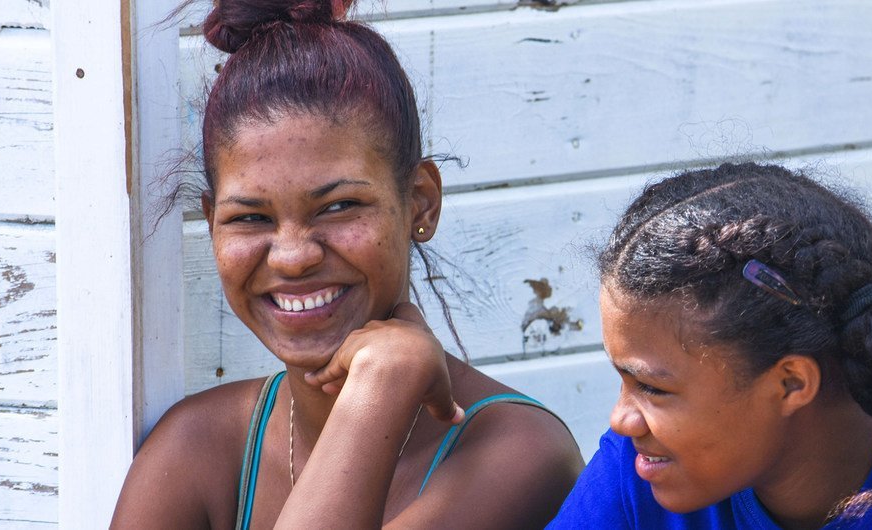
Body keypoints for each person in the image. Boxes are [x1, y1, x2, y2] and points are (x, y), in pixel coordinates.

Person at [111, 1, 583, 528]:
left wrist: (378, 392)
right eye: (250, 217)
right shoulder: (197, 449)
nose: (292, 256)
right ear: (211, 220)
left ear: (420, 203)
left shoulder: (520, 456)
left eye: (339, 207)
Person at [547, 162, 872, 529]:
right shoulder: (640, 468)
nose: (622, 420)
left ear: (792, 383)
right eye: (624, 381)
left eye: (652, 387)